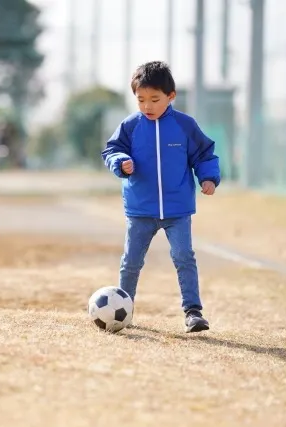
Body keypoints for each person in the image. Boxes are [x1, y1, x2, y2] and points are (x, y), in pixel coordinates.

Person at [101, 61, 220, 333]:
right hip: (140, 209)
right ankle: (124, 310)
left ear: (171, 96)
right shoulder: (130, 126)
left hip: (178, 210)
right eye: (141, 99)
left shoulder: (185, 125)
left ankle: (193, 312)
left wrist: (208, 177)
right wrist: (120, 162)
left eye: (155, 99)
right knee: (131, 262)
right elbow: (111, 150)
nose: (147, 106)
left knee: (184, 257)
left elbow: (204, 154)